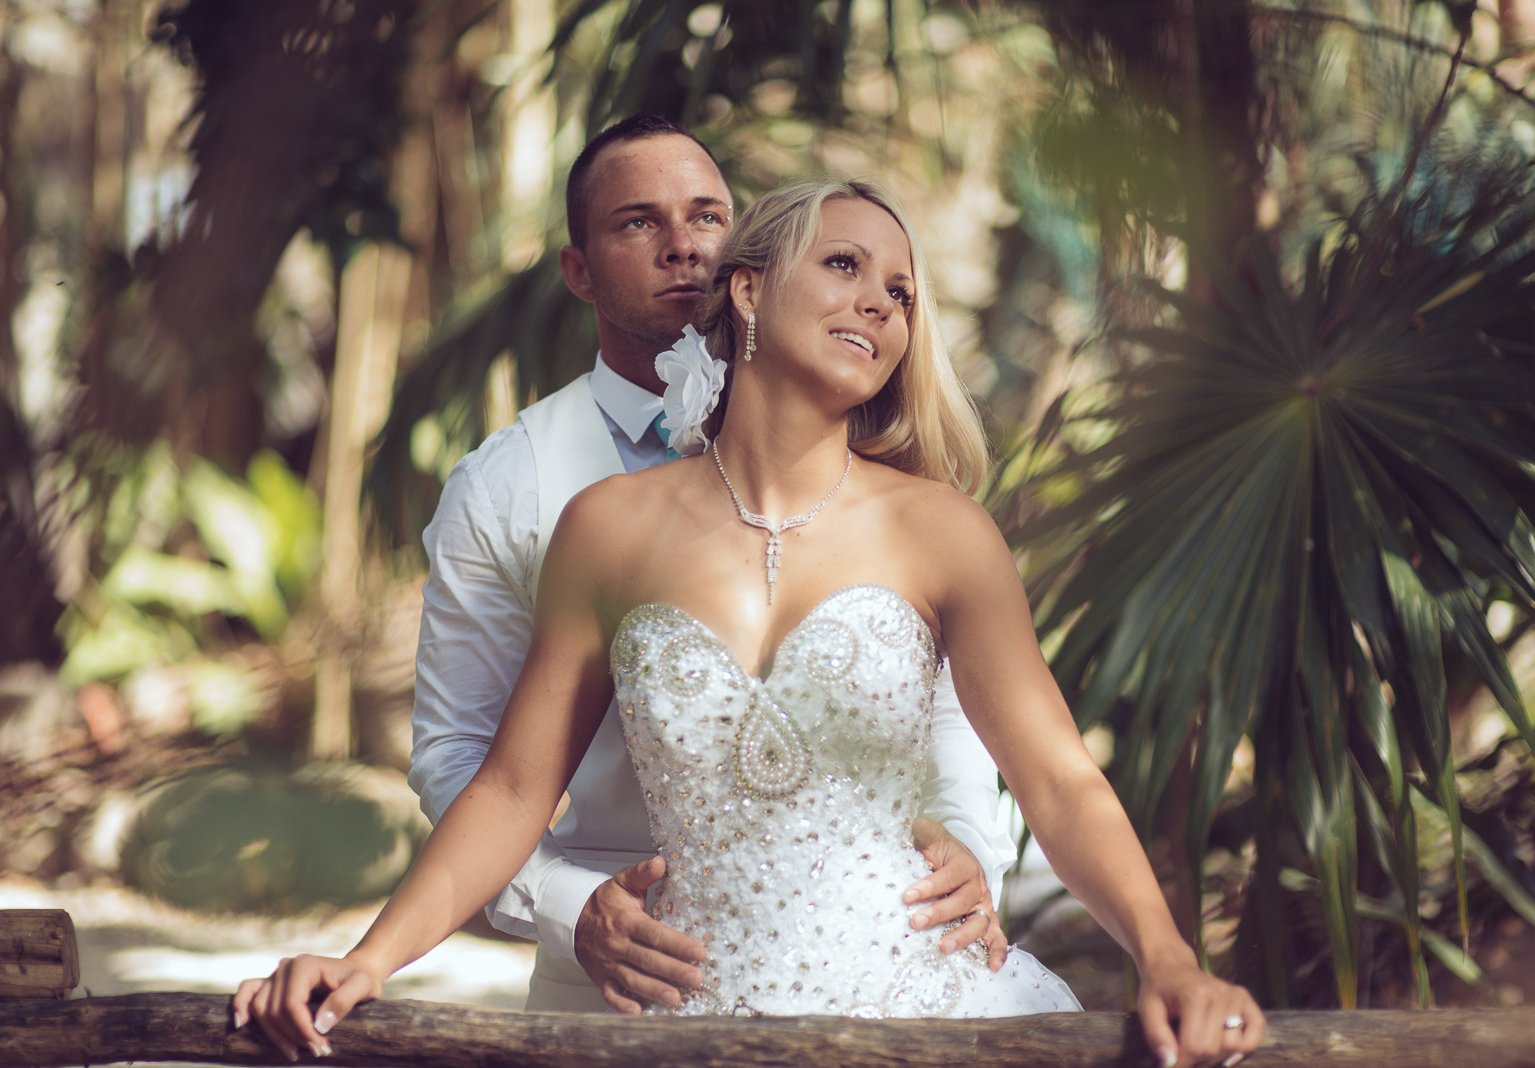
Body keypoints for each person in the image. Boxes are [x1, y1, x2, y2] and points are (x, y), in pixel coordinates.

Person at [235, 178, 1266, 1068]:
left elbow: (1056, 777)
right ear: (748, 286)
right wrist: (365, 958)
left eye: (901, 294)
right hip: (689, 1025)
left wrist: (1168, 959)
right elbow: (510, 788)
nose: (879, 303)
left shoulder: (943, 532)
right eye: (847, 265)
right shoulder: (607, 529)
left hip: (919, 1013)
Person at [404, 114, 1016, 1016]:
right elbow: (467, 760)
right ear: (579, 269)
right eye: (638, 223)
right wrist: (570, 908)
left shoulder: (869, 458)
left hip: (879, 954)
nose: (684, 246)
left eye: (706, 216)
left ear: (744, 266)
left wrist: (963, 850)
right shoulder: (509, 485)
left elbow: (952, 702)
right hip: (614, 974)